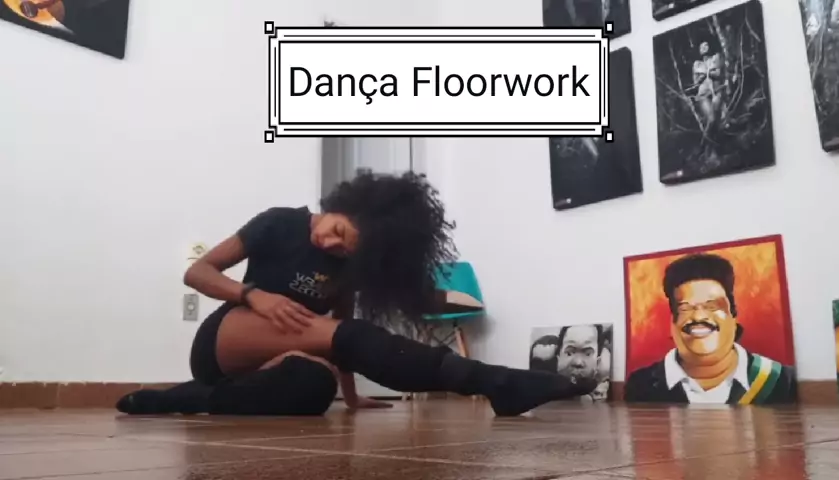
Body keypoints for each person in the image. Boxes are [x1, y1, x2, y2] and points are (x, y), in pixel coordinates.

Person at [117, 172, 597, 417]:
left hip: (280, 354)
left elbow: (341, 336)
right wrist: (253, 296)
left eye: (346, 248)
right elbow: (197, 272)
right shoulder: (279, 222)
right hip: (227, 339)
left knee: (313, 388)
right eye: (338, 231)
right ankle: (495, 382)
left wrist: (350, 396)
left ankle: (182, 399)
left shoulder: (347, 269)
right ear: (342, 206)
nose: (331, 244)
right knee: (335, 334)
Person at [624, 254, 796, 404]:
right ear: (673, 322)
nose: (699, 317)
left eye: (712, 306)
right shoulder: (641, 386)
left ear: (733, 315)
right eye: (685, 308)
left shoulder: (780, 381)